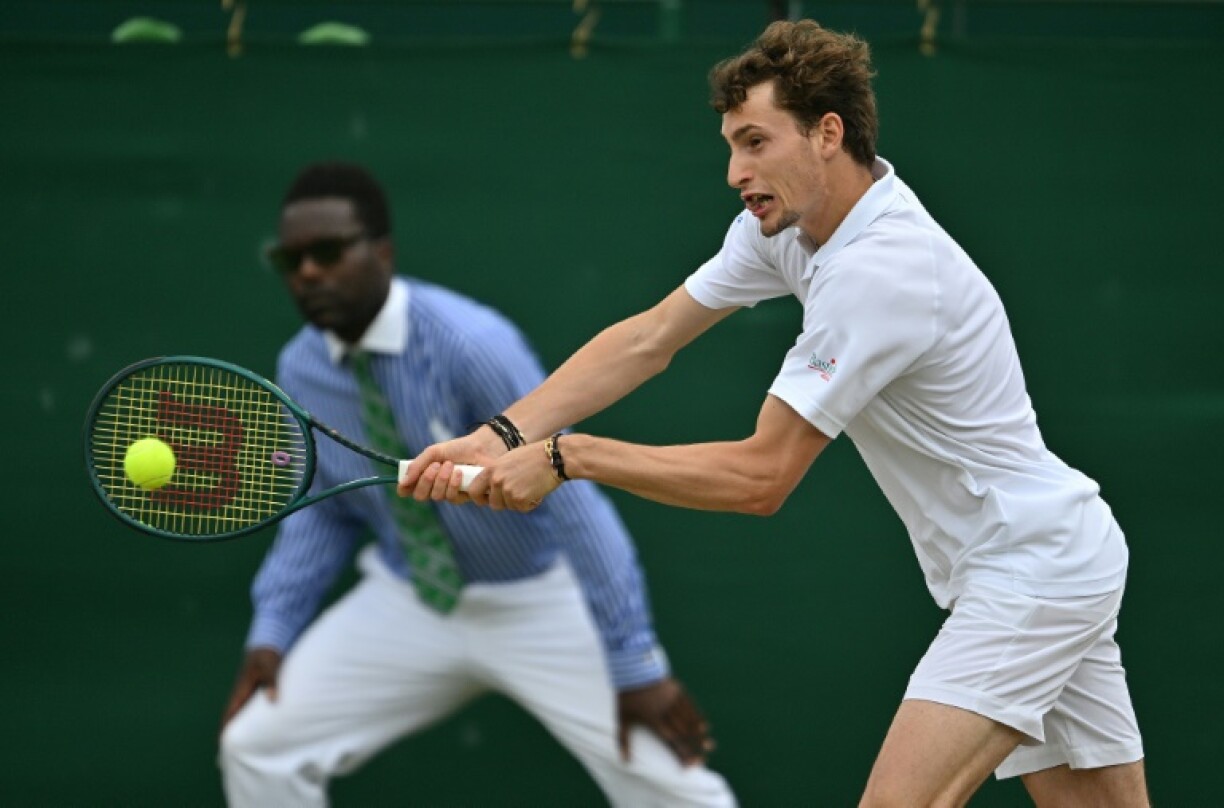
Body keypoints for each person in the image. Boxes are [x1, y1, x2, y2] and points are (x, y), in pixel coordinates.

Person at [400, 20, 1149, 807]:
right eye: (730, 145)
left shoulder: (880, 271)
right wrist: (498, 436)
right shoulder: (791, 231)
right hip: (1045, 558)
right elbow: (651, 337)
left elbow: (762, 477)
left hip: (1032, 569)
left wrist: (565, 458)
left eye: (755, 141)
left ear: (828, 133)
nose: (735, 171)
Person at [217, 161, 736, 808]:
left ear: (382, 250)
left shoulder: (472, 344)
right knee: (257, 746)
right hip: (408, 600)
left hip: (538, 600)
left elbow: (573, 497)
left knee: (673, 784)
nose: (309, 273)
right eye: (289, 260)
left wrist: (635, 662)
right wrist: (274, 628)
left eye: (327, 252)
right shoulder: (300, 367)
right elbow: (324, 511)